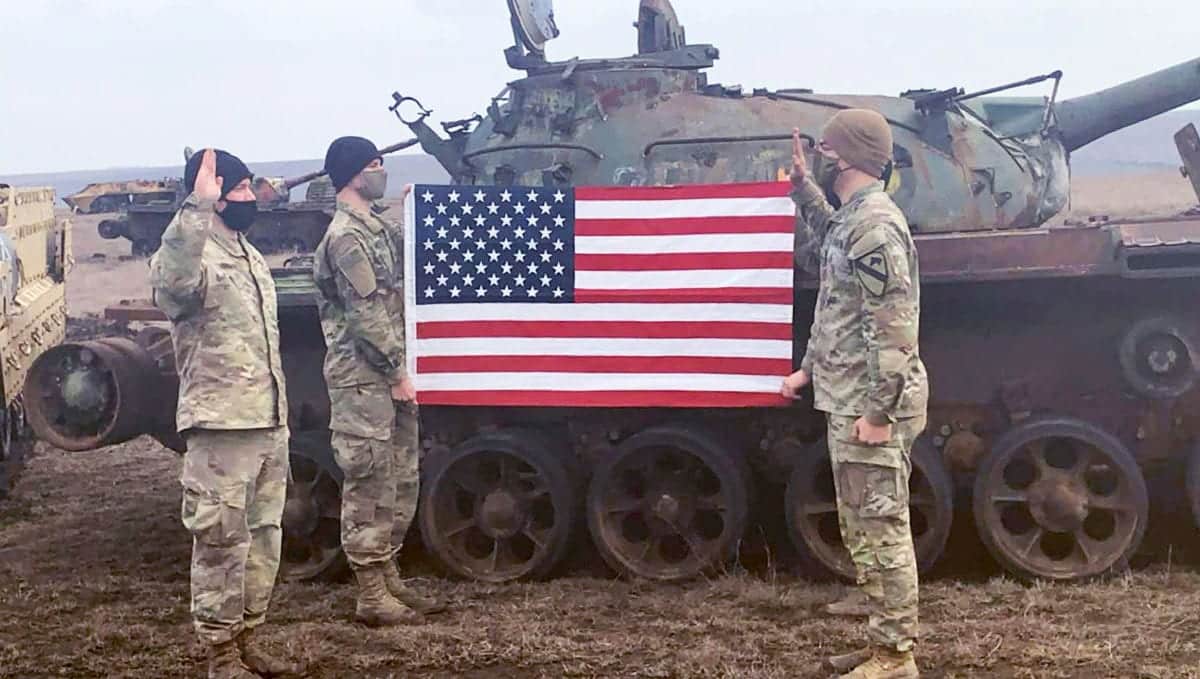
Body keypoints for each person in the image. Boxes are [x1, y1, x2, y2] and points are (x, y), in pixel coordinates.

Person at [780, 111, 929, 679]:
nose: (820, 152)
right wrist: (803, 189)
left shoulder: (875, 228)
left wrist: (879, 412)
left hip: (870, 403)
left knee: (882, 528)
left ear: (848, 157)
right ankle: (881, 643)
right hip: (849, 396)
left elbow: (892, 326)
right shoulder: (854, 220)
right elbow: (838, 302)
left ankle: (896, 658)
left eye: (825, 148)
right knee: (861, 528)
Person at [150, 149, 301, 678]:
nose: (247, 198)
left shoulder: (247, 254)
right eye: (235, 190)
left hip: (265, 419)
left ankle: (248, 637)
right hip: (221, 424)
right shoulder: (192, 254)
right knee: (220, 541)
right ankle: (220, 655)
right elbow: (171, 287)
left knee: (263, 539)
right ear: (212, 195)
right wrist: (197, 206)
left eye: (244, 189)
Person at [312, 136, 446, 626]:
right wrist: (394, 370)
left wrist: (418, 212)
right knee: (369, 478)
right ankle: (370, 592)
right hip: (365, 377)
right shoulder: (346, 237)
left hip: (389, 374)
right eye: (374, 165)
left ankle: (389, 576)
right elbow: (365, 312)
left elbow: (405, 268)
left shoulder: (374, 228)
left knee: (399, 475)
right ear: (351, 175)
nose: (381, 171)